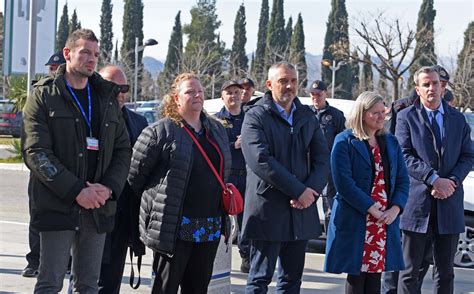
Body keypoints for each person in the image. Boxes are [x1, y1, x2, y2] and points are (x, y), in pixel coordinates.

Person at [21, 29, 131, 293]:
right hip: (58, 205)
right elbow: (36, 152)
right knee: (50, 283)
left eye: (95, 54)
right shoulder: (44, 95)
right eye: (85, 52)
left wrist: (108, 188)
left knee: (88, 286)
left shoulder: (106, 98)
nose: (92, 59)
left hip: (97, 207)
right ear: (68, 54)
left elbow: (123, 149)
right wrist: (76, 191)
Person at [128, 73, 232, 293]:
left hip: (209, 226)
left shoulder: (216, 130)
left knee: (198, 288)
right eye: (190, 91)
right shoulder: (159, 132)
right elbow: (135, 179)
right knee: (166, 287)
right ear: (176, 99)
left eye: (200, 91)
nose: (197, 95)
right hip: (174, 227)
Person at [240, 62, 330, 293]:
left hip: (300, 211)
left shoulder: (307, 116)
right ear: (269, 85)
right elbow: (260, 160)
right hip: (268, 210)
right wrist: (298, 191)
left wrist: (310, 192)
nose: (289, 86)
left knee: (291, 282)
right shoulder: (255, 116)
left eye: (293, 81)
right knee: (259, 280)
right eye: (283, 81)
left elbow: (323, 159)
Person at [395, 66, 474, 293]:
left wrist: (451, 182)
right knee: (411, 272)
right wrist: (432, 178)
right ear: (418, 89)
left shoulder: (458, 119)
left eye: (435, 83)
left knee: (446, 273)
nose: (431, 88)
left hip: (449, 204)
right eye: (426, 84)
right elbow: (403, 154)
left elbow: (468, 155)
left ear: (442, 86)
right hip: (418, 206)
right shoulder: (406, 117)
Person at [324, 91, 409, 293]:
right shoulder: (344, 141)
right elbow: (344, 184)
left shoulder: (390, 142)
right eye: (375, 113)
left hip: (384, 221)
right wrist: (373, 209)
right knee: (357, 277)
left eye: (383, 112)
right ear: (362, 114)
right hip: (358, 218)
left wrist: (395, 208)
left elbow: (403, 180)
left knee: (375, 276)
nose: (382, 117)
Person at [97, 65, 148, 293]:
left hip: (125, 214)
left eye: (123, 88)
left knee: (112, 281)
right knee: (88, 280)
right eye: (112, 86)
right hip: (95, 212)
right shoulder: (89, 118)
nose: (119, 92)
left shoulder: (139, 122)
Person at [21, 51, 67, 279]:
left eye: (57, 67)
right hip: (41, 173)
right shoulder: (39, 95)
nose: (54, 71)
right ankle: (34, 260)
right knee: (37, 218)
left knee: (67, 222)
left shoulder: (72, 98)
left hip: (66, 172)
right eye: (51, 68)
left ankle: (65, 262)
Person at [214, 80, 250, 273]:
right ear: (222, 97)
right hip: (225, 177)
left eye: (237, 92)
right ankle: (217, 253)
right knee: (221, 217)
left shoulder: (250, 118)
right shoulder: (215, 121)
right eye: (229, 92)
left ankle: (246, 256)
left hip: (246, 176)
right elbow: (213, 149)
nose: (234, 96)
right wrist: (233, 146)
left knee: (247, 220)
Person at [308, 80, 346, 231]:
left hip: (327, 168)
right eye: (313, 94)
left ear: (326, 94)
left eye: (319, 94)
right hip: (307, 167)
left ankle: (331, 239)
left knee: (329, 207)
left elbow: (340, 143)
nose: (315, 97)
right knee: (305, 204)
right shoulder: (305, 113)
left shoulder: (335, 115)